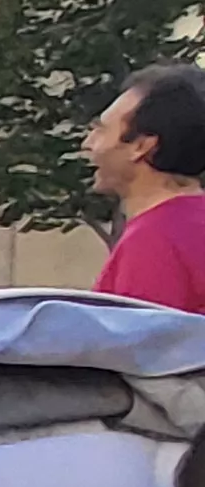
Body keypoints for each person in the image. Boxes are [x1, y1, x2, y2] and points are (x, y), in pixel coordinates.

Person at [91, 63, 205, 313]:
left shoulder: (153, 241)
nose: (88, 143)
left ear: (140, 146)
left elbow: (135, 347)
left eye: (100, 130)